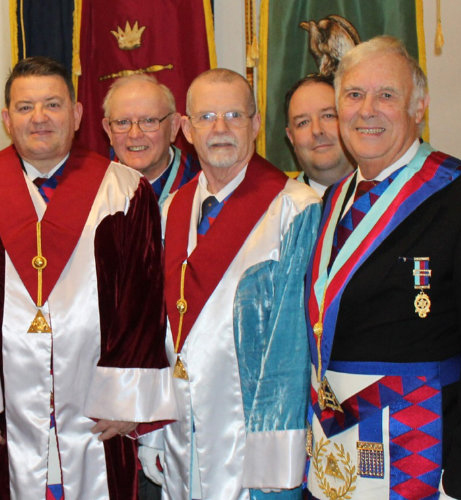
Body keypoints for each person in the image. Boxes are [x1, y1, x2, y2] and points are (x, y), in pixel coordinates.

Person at [0, 56, 174, 499]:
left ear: (77, 114)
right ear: (6, 120)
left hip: (98, 412)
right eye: (25, 107)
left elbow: (142, 302)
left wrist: (128, 399)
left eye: (53, 105)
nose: (39, 118)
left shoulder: (124, 189)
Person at [305, 36, 461, 500]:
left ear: (419, 107)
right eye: (354, 95)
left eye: (386, 95)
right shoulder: (333, 199)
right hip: (334, 443)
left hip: (420, 453)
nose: (367, 110)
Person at [135, 68, 318, 499]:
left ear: (255, 124)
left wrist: (276, 460)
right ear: (186, 129)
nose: (220, 128)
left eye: (234, 115)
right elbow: (161, 329)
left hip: (249, 443)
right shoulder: (173, 208)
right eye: (207, 117)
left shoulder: (293, 209)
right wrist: (154, 431)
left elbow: (290, 352)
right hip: (180, 435)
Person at [101, 74, 198, 207]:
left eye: (148, 121)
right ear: (108, 130)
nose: (134, 134)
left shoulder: (203, 186)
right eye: (123, 122)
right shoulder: (92, 188)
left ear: (173, 126)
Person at [284, 74, 354, 197]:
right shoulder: (278, 205)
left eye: (328, 116)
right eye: (303, 122)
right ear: (291, 138)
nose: (316, 130)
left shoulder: (385, 196)